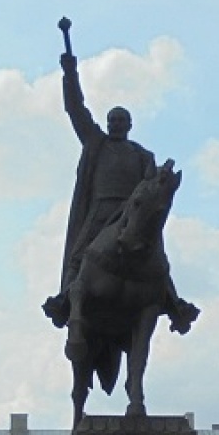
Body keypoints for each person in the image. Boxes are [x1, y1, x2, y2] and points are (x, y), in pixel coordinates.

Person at [44, 48, 156, 324]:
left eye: (121, 120)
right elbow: (75, 108)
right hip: (100, 210)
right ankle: (65, 298)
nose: (116, 124)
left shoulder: (142, 155)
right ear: (107, 124)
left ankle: (173, 301)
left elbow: (153, 190)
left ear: (130, 124)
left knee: (154, 254)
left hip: (131, 215)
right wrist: (70, 72)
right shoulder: (96, 142)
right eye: (112, 120)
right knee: (78, 256)